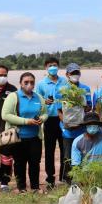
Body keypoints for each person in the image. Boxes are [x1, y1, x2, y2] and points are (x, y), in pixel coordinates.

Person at [1, 72, 48, 193]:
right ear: (21, 84)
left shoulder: (38, 98)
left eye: (32, 82)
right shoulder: (13, 96)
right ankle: (21, 187)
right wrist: (26, 121)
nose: (29, 84)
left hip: (35, 137)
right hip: (18, 137)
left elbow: (45, 113)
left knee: (34, 163)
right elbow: (5, 115)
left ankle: (35, 187)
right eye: (26, 82)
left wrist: (41, 119)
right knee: (20, 163)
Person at [57, 63, 92, 184]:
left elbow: (88, 108)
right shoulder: (62, 89)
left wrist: (83, 105)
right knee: (67, 156)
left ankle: (82, 179)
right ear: (67, 75)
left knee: (83, 154)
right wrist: (66, 123)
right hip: (68, 130)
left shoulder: (85, 89)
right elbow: (59, 110)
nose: (75, 75)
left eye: (77, 72)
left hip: (81, 128)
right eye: (72, 73)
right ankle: (67, 180)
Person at [36, 57, 66, 189]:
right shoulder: (41, 84)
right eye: (50, 65)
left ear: (58, 67)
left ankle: (65, 177)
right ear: (46, 67)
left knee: (64, 149)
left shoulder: (64, 82)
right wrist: (43, 101)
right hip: (49, 120)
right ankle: (50, 179)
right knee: (49, 151)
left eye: (55, 65)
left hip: (63, 119)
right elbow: (36, 101)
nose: (53, 67)